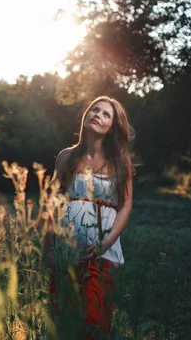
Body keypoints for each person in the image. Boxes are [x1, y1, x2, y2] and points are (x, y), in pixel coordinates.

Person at [49, 95, 135, 339]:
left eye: (106, 114)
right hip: (66, 250)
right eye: (94, 109)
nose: (98, 114)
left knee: (92, 319)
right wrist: (49, 248)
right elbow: (52, 203)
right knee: (62, 316)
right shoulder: (67, 156)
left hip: (101, 252)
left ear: (111, 128)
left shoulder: (120, 163)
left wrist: (105, 243)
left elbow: (126, 206)